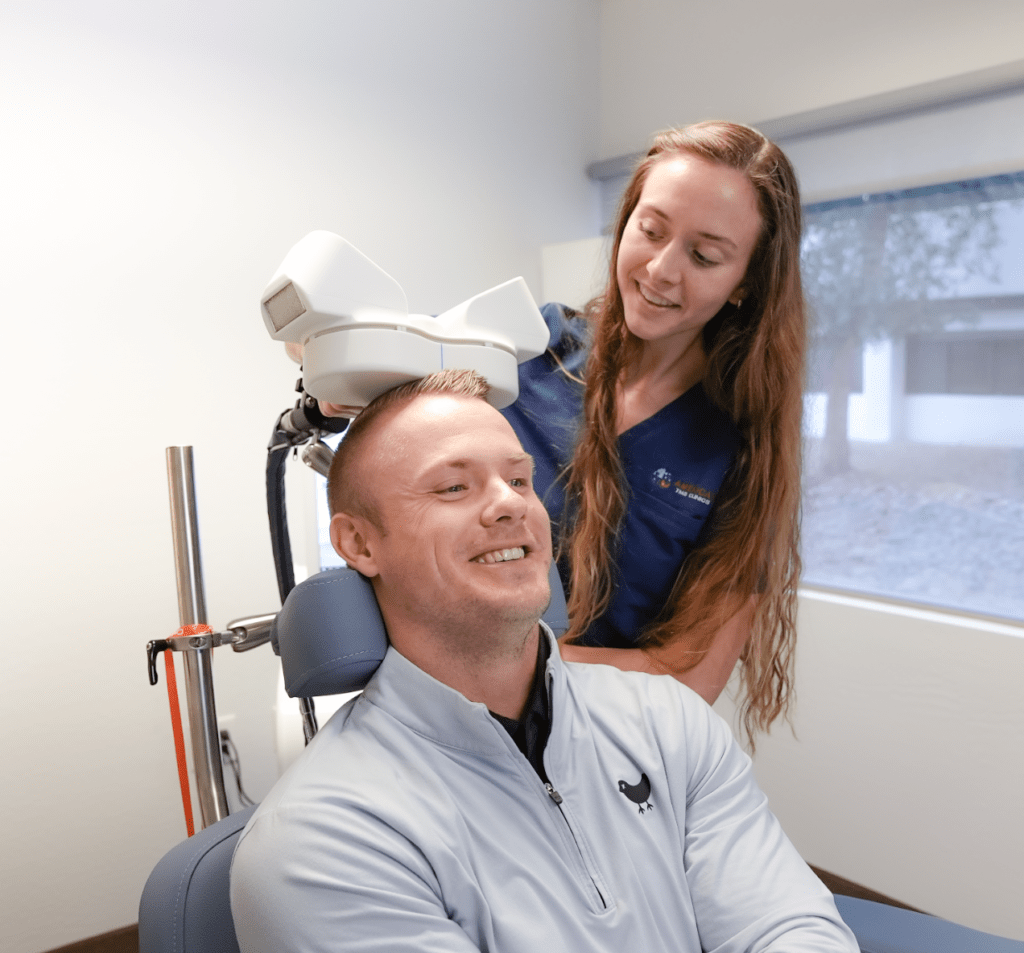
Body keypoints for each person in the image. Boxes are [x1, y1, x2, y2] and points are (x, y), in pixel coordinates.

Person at [230, 369, 857, 953]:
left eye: (522, 480)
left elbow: (788, 927)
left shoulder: (668, 725)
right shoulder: (324, 841)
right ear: (359, 543)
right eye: (454, 486)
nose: (512, 505)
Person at [502, 121, 805, 739]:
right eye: (651, 230)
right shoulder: (531, 349)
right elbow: (335, 346)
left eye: (704, 256)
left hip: (606, 745)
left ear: (745, 282)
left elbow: (689, 678)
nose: (662, 270)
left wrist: (496, 667)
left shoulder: (740, 450)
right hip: (447, 721)